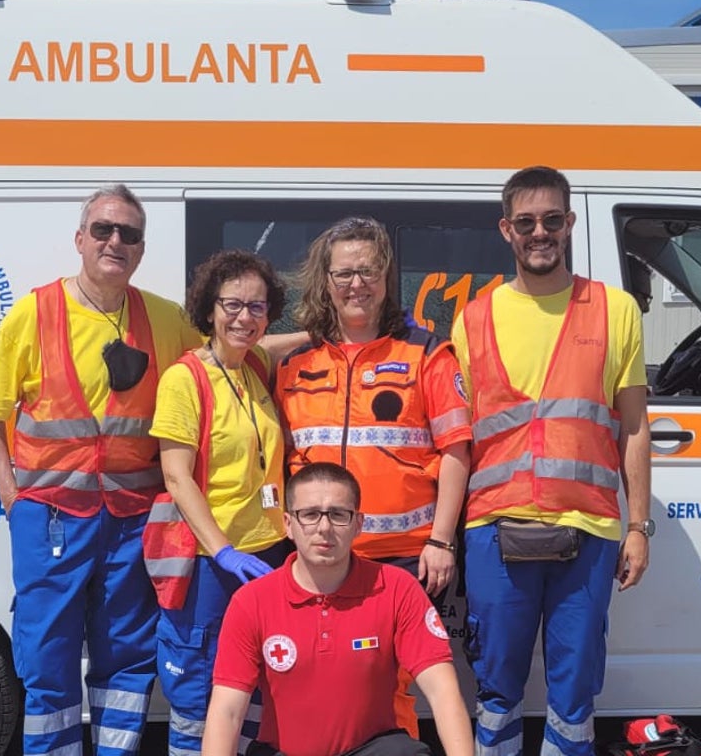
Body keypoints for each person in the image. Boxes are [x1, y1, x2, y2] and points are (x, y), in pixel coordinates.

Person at [0, 184, 202, 756]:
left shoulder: (166, 319)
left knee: (126, 659)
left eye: (129, 233)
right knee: (47, 659)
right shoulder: (35, 312)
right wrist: (12, 497)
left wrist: (313, 335)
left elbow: (227, 357)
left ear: (142, 251)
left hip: (132, 521)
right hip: (50, 521)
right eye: (103, 229)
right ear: (80, 239)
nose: (115, 241)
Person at [451, 165, 652, 756]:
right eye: (525, 222)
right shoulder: (472, 319)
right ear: (505, 230)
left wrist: (638, 527)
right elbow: (460, 440)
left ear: (569, 222)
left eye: (551, 220)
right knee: (497, 689)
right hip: (494, 530)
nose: (539, 233)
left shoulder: (616, 311)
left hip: (587, 530)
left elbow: (634, 427)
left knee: (573, 695)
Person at [275, 216, 471, 735]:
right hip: (317, 554)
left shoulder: (427, 353)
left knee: (393, 686)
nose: (356, 283)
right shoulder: (295, 362)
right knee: (320, 680)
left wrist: (442, 542)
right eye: (344, 274)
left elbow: (456, 452)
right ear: (326, 281)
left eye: (368, 270)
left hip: (402, 558)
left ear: (387, 276)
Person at [202, 462, 474, 756]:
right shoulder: (251, 601)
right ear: (288, 525)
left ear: (358, 524)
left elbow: (442, 691)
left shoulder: (397, 588)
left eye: (338, 515)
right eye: (309, 514)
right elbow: (227, 712)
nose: (324, 528)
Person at [150, 250, 294, 756]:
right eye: (232, 304)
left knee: (252, 686)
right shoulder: (184, 379)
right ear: (209, 309)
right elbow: (176, 476)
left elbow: (274, 342)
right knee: (198, 693)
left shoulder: (255, 366)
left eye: (258, 307)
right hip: (212, 564)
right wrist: (224, 551)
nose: (245, 318)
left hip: (270, 556)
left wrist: (335, 332)